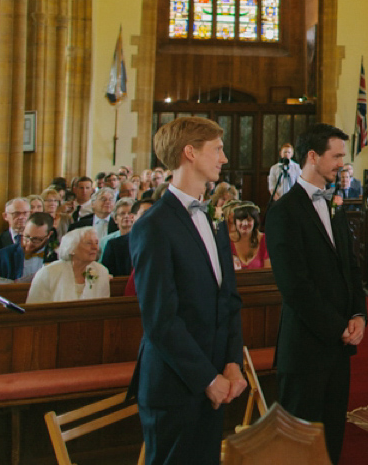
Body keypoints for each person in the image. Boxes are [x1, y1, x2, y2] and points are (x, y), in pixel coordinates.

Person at [129, 116, 246, 465]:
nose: (224, 159)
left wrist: (232, 362)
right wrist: (206, 378)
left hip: (215, 380)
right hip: (175, 385)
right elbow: (160, 320)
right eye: (218, 150)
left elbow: (229, 300)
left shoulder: (213, 218)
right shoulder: (153, 226)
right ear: (190, 153)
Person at [265, 123, 366, 463]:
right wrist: (337, 326)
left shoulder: (334, 205)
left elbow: (350, 268)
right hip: (305, 348)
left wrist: (358, 315)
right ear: (312, 156)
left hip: (338, 348)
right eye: (336, 155)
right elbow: (295, 285)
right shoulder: (283, 212)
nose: (342, 163)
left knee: (331, 438)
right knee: (300, 445)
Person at [26, 227, 111, 303]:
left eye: (96, 243)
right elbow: (35, 309)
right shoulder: (48, 273)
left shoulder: (101, 271)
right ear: (71, 248)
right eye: (89, 243)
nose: (95, 248)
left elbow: (103, 308)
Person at [0, 212, 58, 281]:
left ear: (49, 235)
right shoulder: (3, 255)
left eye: (36, 239)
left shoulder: (56, 256)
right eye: (27, 236)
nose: (29, 243)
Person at [101, 198, 153, 277]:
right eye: (122, 213)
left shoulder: (164, 242)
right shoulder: (113, 245)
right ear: (134, 217)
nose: (126, 216)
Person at [0, 197, 32, 263]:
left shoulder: (41, 240)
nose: (21, 217)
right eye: (16, 214)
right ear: (5, 216)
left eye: (25, 213)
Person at [230, 203, 271, 270]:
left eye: (249, 220)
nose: (244, 223)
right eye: (240, 220)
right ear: (235, 221)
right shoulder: (227, 240)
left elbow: (268, 272)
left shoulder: (264, 240)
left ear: (255, 221)